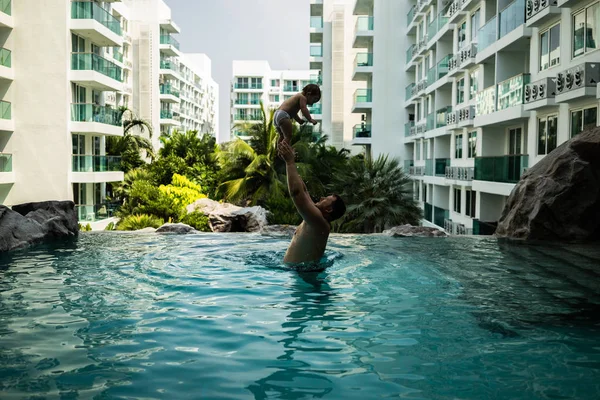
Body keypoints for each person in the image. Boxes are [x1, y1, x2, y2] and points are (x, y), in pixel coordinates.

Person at [277, 140, 346, 264]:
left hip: (305, 277)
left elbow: (296, 193)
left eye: (326, 199)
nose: (321, 198)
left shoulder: (319, 222)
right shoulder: (316, 218)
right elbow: (303, 190)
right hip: (301, 274)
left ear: (329, 209)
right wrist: (289, 158)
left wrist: (290, 163)